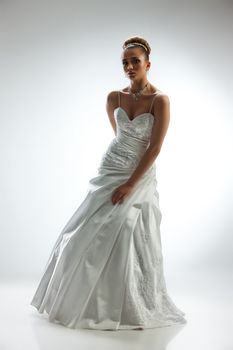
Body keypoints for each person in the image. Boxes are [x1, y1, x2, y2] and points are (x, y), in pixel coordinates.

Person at [30, 36, 187, 331]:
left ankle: (130, 305)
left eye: (135, 61)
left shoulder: (160, 100)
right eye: (125, 62)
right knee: (80, 236)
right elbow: (120, 136)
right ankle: (84, 301)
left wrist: (130, 184)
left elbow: (153, 148)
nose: (129, 66)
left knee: (127, 230)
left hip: (138, 175)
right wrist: (118, 171)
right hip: (110, 168)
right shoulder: (113, 97)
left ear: (148, 64)